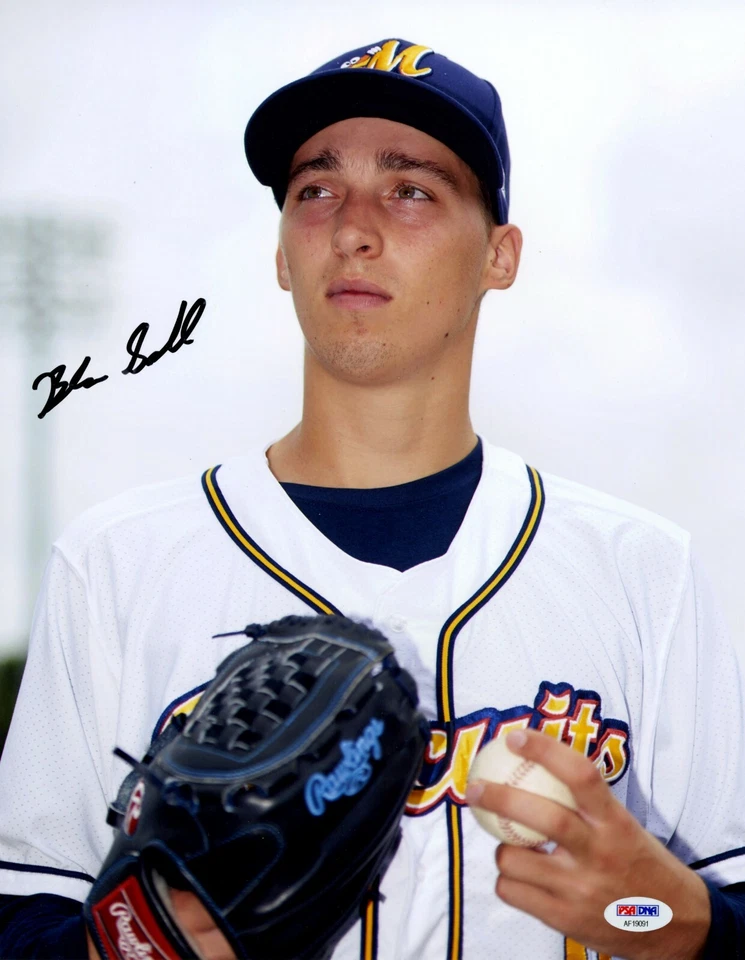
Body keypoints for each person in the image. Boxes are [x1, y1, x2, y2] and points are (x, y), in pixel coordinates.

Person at [1, 37, 744, 960]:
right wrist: (151, 943)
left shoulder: (642, 571)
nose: (352, 227)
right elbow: (22, 913)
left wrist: (667, 916)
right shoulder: (117, 563)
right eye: (316, 189)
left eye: (411, 189)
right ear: (281, 253)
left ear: (500, 256)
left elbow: (716, 909)